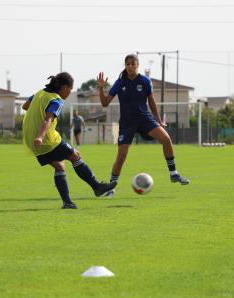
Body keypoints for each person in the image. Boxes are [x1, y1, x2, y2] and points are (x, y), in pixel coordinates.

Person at [97, 54, 190, 197]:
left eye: (132, 64)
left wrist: (158, 121)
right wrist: (101, 88)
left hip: (144, 119)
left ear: (137, 65)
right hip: (127, 123)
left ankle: (174, 174)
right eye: (127, 64)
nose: (130, 66)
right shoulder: (120, 82)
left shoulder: (145, 81)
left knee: (166, 139)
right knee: (121, 156)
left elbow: (152, 102)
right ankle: (111, 187)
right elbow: (104, 103)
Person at [22, 72, 116, 209]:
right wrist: (40, 136)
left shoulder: (39, 93)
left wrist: (36, 117)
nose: (69, 93)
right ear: (64, 87)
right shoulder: (56, 100)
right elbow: (48, 119)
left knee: (60, 166)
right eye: (70, 89)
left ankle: (67, 203)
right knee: (75, 156)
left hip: (31, 141)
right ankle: (97, 187)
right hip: (46, 139)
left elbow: (25, 106)